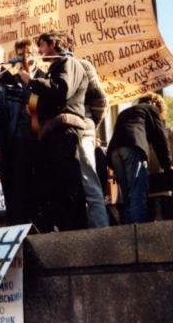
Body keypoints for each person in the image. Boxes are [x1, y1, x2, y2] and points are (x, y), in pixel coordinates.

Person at [19, 31, 88, 231]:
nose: (39, 51)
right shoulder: (57, 66)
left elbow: (61, 90)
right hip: (54, 132)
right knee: (58, 185)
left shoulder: (68, 62)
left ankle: (75, 232)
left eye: (41, 45)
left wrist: (31, 81)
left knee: (68, 182)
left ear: (54, 43)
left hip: (63, 131)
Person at [0, 39, 46, 226]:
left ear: (36, 54)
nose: (25, 57)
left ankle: (40, 223)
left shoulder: (43, 76)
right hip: (17, 137)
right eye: (21, 54)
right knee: (19, 183)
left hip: (39, 137)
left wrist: (30, 83)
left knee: (39, 182)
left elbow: (43, 103)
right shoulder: (8, 79)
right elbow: (1, 111)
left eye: (29, 53)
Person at [64, 35, 109, 228]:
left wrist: (90, 125)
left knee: (89, 182)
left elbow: (101, 99)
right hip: (66, 134)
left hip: (82, 131)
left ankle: (101, 232)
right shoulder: (53, 70)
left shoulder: (83, 65)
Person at [107, 93, 173, 224]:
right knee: (138, 193)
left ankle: (128, 230)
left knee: (127, 196)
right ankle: (139, 232)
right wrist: (167, 164)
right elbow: (161, 138)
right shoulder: (151, 108)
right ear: (155, 103)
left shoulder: (125, 112)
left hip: (114, 152)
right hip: (133, 148)